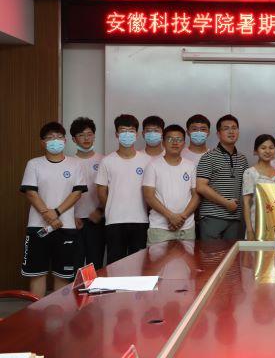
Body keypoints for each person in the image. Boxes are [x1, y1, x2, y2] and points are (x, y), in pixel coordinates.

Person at [20, 122, 87, 297]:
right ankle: (36, 311)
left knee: (63, 275)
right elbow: (31, 192)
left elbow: (77, 193)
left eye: (58, 137)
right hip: (38, 227)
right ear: (43, 142)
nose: (55, 141)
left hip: (66, 228)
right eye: (50, 138)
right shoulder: (34, 164)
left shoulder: (75, 164)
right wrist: (48, 215)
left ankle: (59, 312)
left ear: (65, 140)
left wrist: (55, 213)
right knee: (37, 273)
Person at [96, 114, 152, 264]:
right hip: (114, 221)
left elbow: (151, 192)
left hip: (140, 220)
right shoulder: (107, 161)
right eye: (123, 131)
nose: (127, 134)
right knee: (115, 264)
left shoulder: (147, 161)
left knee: (139, 264)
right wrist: (112, 208)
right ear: (116, 134)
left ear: (137, 134)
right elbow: (101, 192)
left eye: (131, 131)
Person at [143, 124, 199, 244]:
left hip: (186, 227)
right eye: (170, 139)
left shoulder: (191, 166)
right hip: (160, 228)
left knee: (188, 258)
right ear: (163, 142)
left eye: (179, 139)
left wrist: (181, 217)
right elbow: (148, 196)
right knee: (156, 257)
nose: (175, 142)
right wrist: (170, 216)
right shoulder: (153, 165)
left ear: (184, 143)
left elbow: (196, 195)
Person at [196, 114, 249, 240]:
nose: (231, 131)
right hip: (212, 216)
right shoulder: (208, 157)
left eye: (234, 128)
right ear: (218, 134)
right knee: (211, 252)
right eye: (226, 128)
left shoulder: (242, 159)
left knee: (232, 253)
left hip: (235, 218)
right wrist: (226, 203)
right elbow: (201, 187)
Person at [70, 117, 105, 270]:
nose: (86, 138)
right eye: (81, 135)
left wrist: (100, 211)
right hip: (74, 220)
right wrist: (71, 215)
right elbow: (63, 193)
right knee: (74, 265)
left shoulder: (104, 160)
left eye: (89, 134)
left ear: (94, 136)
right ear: (73, 139)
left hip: (97, 219)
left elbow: (110, 191)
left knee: (95, 265)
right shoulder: (68, 162)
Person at [243, 135, 275, 240]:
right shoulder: (250, 173)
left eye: (271, 148)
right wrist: (249, 230)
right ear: (256, 151)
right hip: (257, 223)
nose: (267, 151)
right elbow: (246, 203)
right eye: (263, 148)